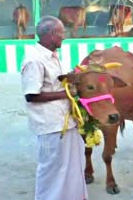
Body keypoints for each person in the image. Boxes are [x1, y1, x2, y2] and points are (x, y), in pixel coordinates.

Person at [21, 16, 88, 200]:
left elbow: (57, 83)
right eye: (61, 33)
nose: (64, 37)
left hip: (67, 122)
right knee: (51, 172)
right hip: (51, 126)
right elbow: (31, 95)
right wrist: (66, 94)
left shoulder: (52, 56)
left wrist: (74, 76)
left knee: (72, 168)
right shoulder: (34, 60)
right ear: (51, 35)